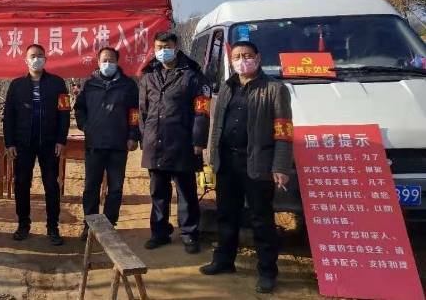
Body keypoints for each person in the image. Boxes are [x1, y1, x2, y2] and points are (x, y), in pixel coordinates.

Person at [199, 41, 292, 295]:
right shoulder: (226, 87)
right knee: (226, 214)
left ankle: (267, 271)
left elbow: (283, 131)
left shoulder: (275, 89)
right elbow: (216, 127)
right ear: (231, 61)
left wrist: (281, 165)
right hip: (227, 163)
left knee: (261, 218)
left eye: (247, 55)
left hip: (258, 164)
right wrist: (211, 158)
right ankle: (224, 260)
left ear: (258, 58)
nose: (243, 60)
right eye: (237, 56)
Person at [139, 32, 211, 254]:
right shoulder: (149, 74)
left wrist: (198, 139)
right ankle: (159, 232)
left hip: (183, 143)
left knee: (186, 192)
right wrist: (144, 137)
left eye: (167, 46)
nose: (163, 51)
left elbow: (202, 111)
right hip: (155, 143)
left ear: (176, 47)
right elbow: (143, 111)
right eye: (159, 47)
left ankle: (189, 234)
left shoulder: (193, 75)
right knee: (158, 192)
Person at [4, 44, 71, 245]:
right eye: (33, 56)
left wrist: (61, 139)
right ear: (26, 60)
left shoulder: (58, 83)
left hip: (49, 144)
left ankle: (53, 227)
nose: (36, 59)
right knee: (21, 184)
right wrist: (9, 143)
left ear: (45, 59)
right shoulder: (16, 85)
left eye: (40, 55)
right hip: (23, 144)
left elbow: (65, 113)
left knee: (51, 185)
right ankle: (23, 224)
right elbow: (9, 116)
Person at [74, 47, 140, 241]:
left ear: (117, 62)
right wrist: (86, 126)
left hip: (118, 144)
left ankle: (110, 225)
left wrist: (133, 135)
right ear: (98, 62)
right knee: (91, 187)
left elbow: (135, 113)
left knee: (115, 188)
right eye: (104, 60)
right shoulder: (89, 83)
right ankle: (90, 225)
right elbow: (79, 108)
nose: (108, 64)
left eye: (111, 60)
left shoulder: (128, 85)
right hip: (94, 144)